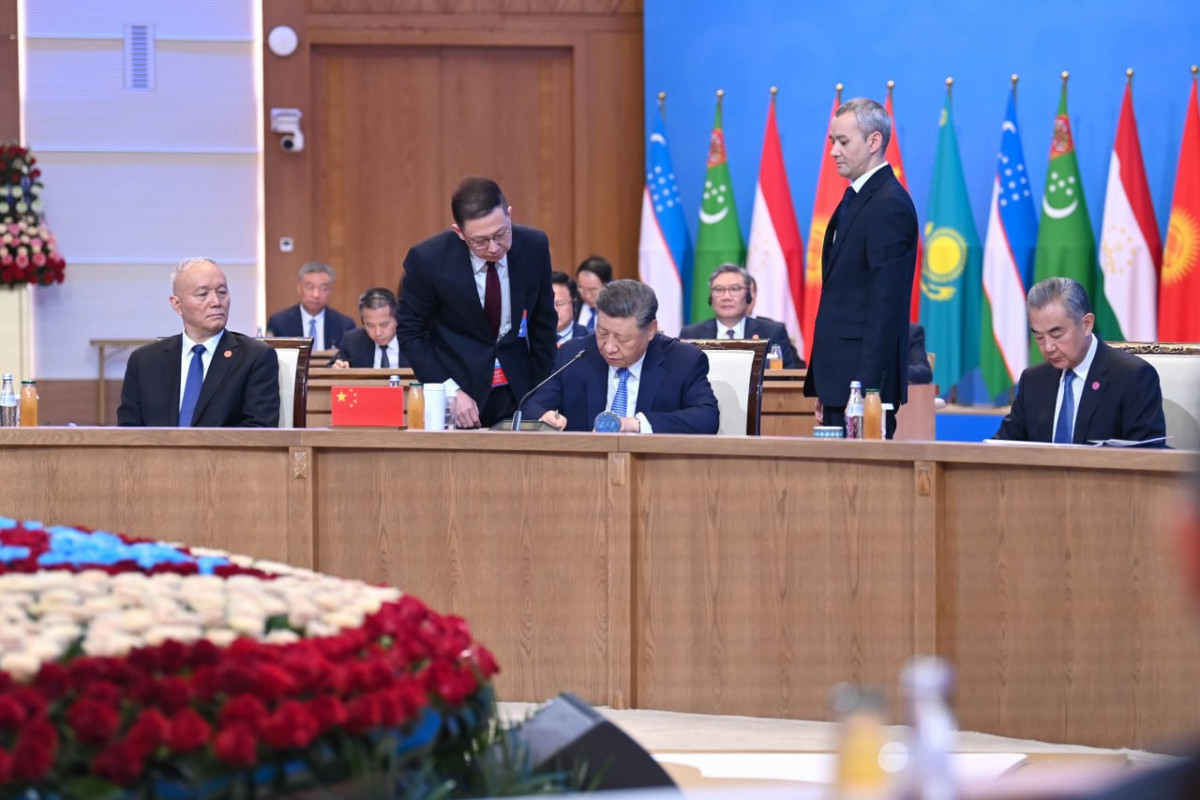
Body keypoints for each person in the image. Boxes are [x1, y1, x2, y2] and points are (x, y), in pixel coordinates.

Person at [397, 177, 556, 428]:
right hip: (459, 394)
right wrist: (450, 390)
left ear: (509, 215)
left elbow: (544, 324)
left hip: (520, 391)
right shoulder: (428, 260)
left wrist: (542, 394)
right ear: (459, 232)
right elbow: (410, 333)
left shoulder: (534, 246)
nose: (494, 248)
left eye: (501, 234)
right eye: (480, 241)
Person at [803, 97, 919, 439]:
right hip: (841, 381)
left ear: (874, 141)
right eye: (832, 142)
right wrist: (828, 386)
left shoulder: (889, 204)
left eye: (843, 142)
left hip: (863, 389)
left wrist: (866, 393)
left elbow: (886, 306)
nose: (833, 152)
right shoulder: (856, 197)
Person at [528, 280, 719, 434]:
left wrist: (635, 424)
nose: (609, 347)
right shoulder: (576, 354)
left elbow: (707, 418)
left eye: (622, 338)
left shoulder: (683, 361)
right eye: (602, 333)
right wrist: (545, 417)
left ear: (650, 330)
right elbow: (531, 407)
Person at [993, 277, 1166, 445]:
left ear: (1086, 324)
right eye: (1039, 337)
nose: (1048, 347)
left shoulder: (1132, 377)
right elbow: (1002, 447)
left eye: (1056, 334)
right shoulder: (1033, 380)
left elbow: (1147, 454)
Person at [118, 257, 279, 427]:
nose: (216, 302)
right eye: (203, 294)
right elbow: (129, 431)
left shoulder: (254, 357)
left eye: (222, 292)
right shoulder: (144, 361)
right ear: (177, 305)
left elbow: (259, 430)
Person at [680, 263, 804, 368]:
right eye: (719, 290)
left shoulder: (773, 333)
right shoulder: (691, 335)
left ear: (748, 296)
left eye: (734, 289)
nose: (726, 297)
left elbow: (791, 376)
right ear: (710, 298)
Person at [265, 261, 356, 350]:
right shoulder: (279, 323)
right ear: (299, 288)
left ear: (331, 291)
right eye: (310, 287)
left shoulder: (345, 325)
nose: (316, 294)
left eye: (324, 289)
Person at [331, 287, 409, 369]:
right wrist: (337, 368)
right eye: (370, 325)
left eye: (384, 325)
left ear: (397, 319)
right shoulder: (353, 341)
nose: (378, 333)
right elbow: (330, 368)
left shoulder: (414, 340)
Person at [575, 256, 613, 333]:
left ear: (607, 285)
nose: (587, 296)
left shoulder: (619, 312)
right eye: (581, 288)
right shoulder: (572, 307)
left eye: (593, 290)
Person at [552, 270, 588, 346]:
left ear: (574, 303)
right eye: (548, 305)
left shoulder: (590, 339)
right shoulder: (528, 339)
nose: (553, 310)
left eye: (559, 303)